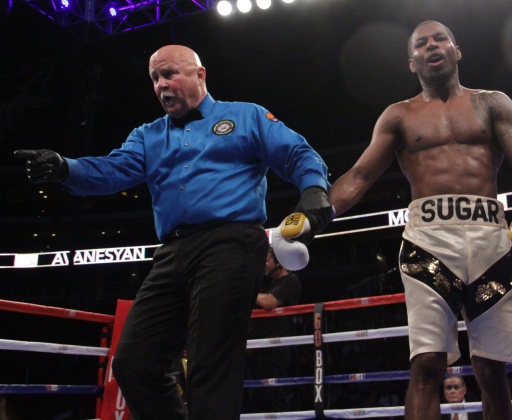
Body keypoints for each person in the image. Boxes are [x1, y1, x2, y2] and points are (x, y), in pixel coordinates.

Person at [14, 44, 333, 420]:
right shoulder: (147, 135)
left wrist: (314, 189)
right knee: (134, 362)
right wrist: (65, 168)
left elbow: (296, 152)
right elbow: (112, 170)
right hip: (172, 251)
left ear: (200, 74)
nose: (161, 85)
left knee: (209, 361)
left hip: (230, 243)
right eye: (154, 78)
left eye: (169, 74)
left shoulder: (245, 115)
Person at [327, 21, 512, 420]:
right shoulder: (399, 115)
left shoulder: (493, 103)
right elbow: (360, 176)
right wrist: (315, 216)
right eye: (421, 43)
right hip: (429, 241)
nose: (432, 46)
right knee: (426, 363)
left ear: (457, 51)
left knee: (492, 368)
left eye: (440, 39)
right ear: (412, 62)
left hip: (492, 239)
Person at [245, 246, 301, 413]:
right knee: (256, 397)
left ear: (279, 262)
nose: (264, 265)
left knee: (275, 396)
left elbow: (269, 302)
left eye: (267, 260)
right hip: (254, 346)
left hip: (275, 348)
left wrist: (248, 291)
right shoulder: (264, 283)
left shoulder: (290, 281)